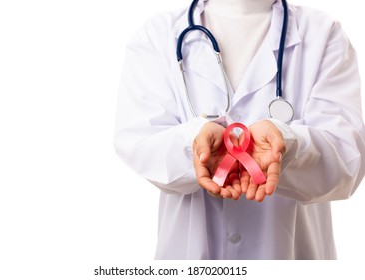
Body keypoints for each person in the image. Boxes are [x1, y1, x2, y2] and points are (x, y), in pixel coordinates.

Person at [114, 0, 365, 259]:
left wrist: (288, 143)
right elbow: (139, 142)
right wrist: (194, 143)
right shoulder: (157, 34)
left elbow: (348, 158)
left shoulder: (323, 34)